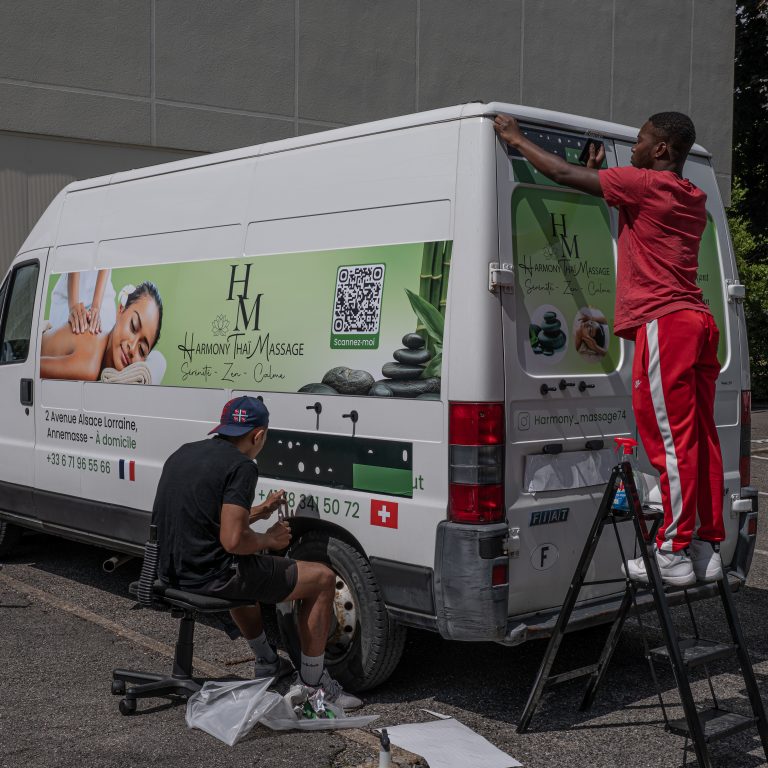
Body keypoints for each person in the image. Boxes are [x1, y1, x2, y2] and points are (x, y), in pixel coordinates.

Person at [494, 111, 723, 587]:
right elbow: (630, 217)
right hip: (698, 321)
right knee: (700, 439)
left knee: (670, 440)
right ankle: (704, 546)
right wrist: (602, 177)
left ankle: (673, 552)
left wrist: (516, 139)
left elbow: (560, 173)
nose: (634, 149)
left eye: (640, 142)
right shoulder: (691, 196)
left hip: (667, 323)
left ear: (661, 149)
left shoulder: (644, 185)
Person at [150, 395, 363, 710]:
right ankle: (314, 687)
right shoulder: (242, 466)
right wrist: (270, 540)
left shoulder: (185, 453)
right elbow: (234, 541)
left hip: (170, 573)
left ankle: (267, 662)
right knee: (321, 578)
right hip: (211, 579)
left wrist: (260, 511)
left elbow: (205, 519)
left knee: (249, 569)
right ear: (259, 435)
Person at [40, 281, 163, 382]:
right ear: (121, 309)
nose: (132, 348)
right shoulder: (90, 366)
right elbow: (28, 367)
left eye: (141, 350)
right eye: (133, 326)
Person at [48, 269, 116, 335]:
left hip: (103, 293)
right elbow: (77, 259)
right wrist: (73, 305)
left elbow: (105, 259)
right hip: (68, 294)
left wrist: (96, 307)